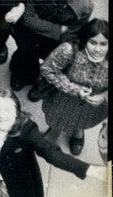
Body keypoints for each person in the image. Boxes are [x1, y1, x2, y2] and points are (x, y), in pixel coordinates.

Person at [9, 0, 94, 98]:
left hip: (58, 40)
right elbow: (26, 18)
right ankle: (21, 75)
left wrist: (58, 55)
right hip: (34, 31)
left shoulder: (85, 4)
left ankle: (42, 87)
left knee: (56, 65)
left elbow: (73, 33)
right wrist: (58, 29)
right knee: (25, 54)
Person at [38, 19, 108, 156]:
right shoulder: (69, 50)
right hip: (63, 100)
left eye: (103, 44)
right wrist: (73, 88)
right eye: (93, 43)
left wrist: (104, 96)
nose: (98, 49)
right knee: (57, 119)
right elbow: (47, 69)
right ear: (85, 40)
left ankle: (78, 130)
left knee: (82, 122)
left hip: (92, 108)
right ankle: (55, 130)